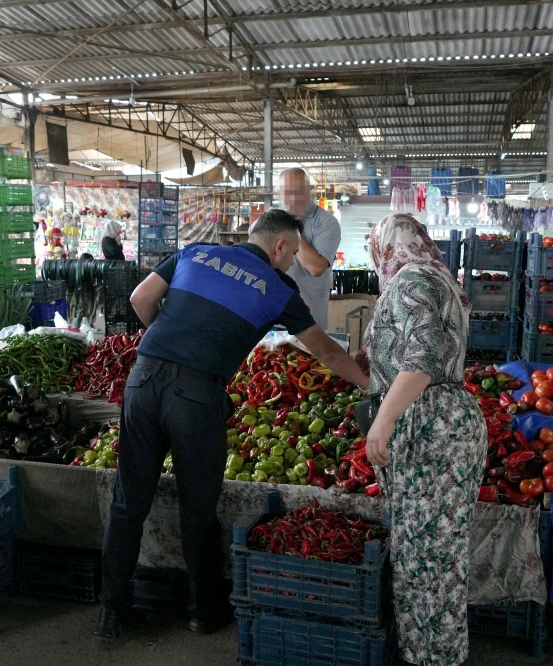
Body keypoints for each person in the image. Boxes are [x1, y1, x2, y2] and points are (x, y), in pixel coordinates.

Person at [95, 209, 369, 639]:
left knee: (128, 502)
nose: (292, 261)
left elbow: (140, 299)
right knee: (198, 508)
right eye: (292, 253)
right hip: (196, 395)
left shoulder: (194, 252)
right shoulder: (278, 287)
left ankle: (112, 613)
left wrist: (169, 341)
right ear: (279, 246)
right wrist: (373, 387)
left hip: (143, 380)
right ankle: (203, 612)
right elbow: (327, 353)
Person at [363, 213, 486, 666]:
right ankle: (438, 654)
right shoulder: (440, 278)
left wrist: (384, 420)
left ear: (387, 245)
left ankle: (429, 658)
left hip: (428, 425)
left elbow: (424, 355)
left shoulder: (408, 280)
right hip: (450, 421)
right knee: (439, 555)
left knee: (423, 561)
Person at [278, 168, 341, 329]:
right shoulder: (272, 217)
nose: (293, 198)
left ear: (309, 191)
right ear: (279, 193)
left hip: (307, 323)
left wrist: (290, 228)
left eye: (299, 191)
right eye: (287, 192)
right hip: (271, 319)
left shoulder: (326, 223)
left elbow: (316, 267)